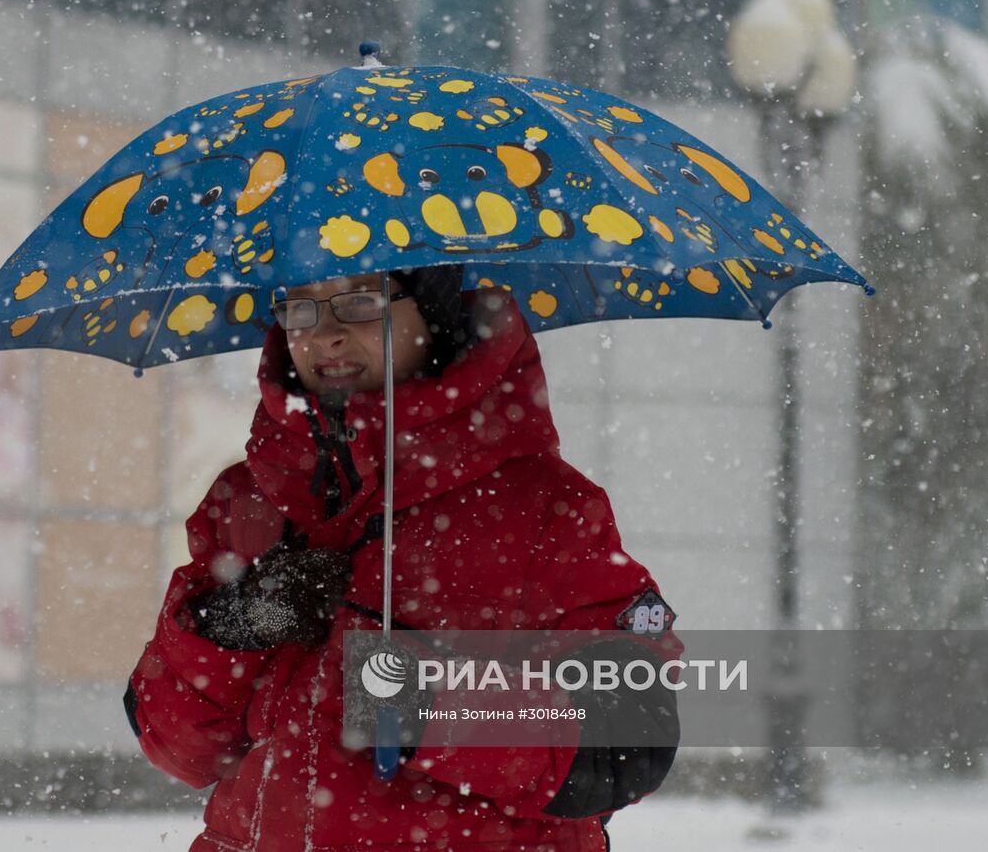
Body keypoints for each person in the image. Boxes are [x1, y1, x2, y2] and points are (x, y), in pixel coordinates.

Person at [124, 265, 680, 851]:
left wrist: (431, 704)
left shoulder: (546, 505)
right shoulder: (247, 499)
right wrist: (230, 629)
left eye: (360, 302)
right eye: (300, 307)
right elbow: (180, 752)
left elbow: (628, 740)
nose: (326, 334)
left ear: (434, 315)